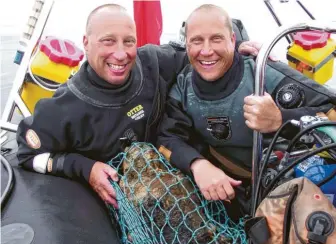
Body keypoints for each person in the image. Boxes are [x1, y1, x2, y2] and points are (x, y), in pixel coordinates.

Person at [16, 4, 264, 209]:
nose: (121, 54)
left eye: (129, 41)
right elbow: (28, 155)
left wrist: (236, 50)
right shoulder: (63, 108)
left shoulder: (154, 63)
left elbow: (202, 56)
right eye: (108, 42)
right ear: (86, 43)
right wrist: (84, 168)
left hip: (175, 177)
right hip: (117, 205)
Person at [157, 4, 335, 217]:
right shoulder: (183, 90)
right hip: (233, 190)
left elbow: (331, 111)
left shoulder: (264, 74)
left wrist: (280, 120)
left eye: (216, 39)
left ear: (232, 40)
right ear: (186, 45)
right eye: (196, 41)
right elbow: (166, 138)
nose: (206, 51)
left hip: (291, 180)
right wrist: (198, 165)